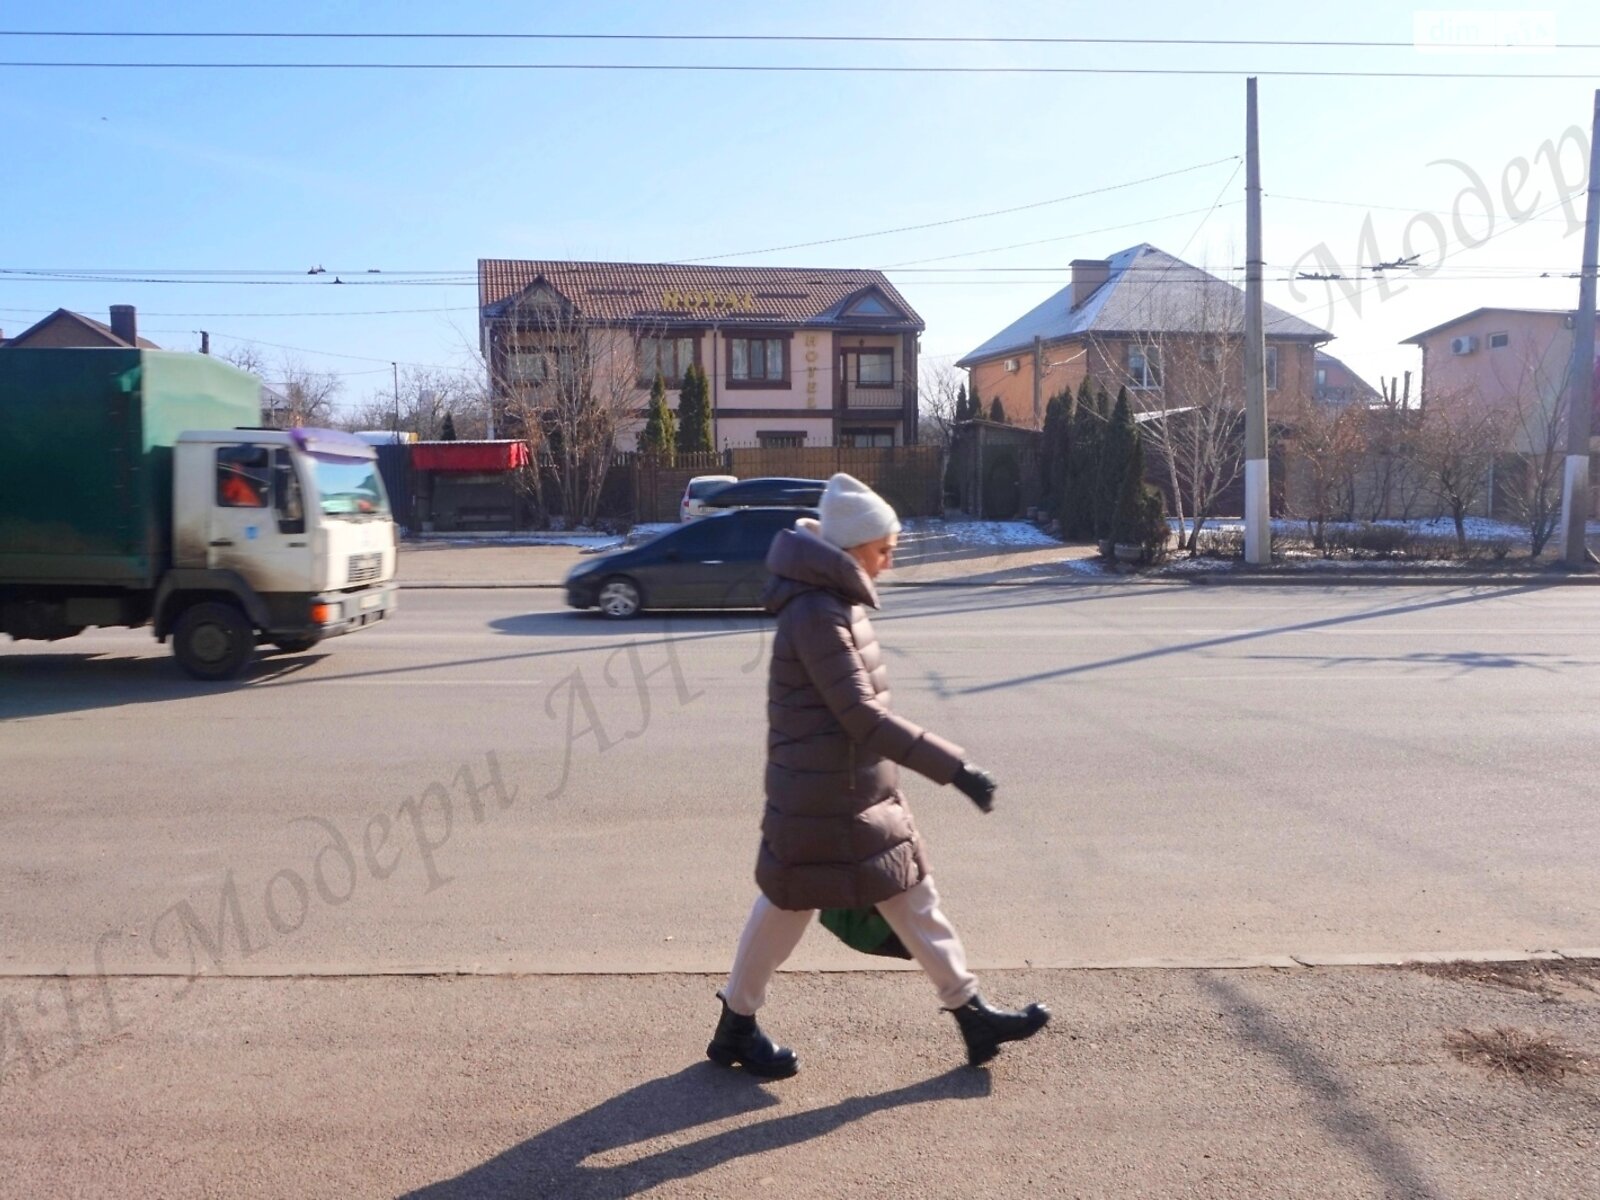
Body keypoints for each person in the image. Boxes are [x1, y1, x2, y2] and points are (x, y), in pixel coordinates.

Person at [708, 473, 1049, 1079]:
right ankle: (737, 1023)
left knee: (909, 896)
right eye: (885, 546)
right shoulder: (817, 610)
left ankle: (972, 1016)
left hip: (846, 791)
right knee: (789, 906)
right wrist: (957, 769)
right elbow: (863, 715)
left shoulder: (830, 599)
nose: (891, 557)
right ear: (854, 548)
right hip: (822, 794)